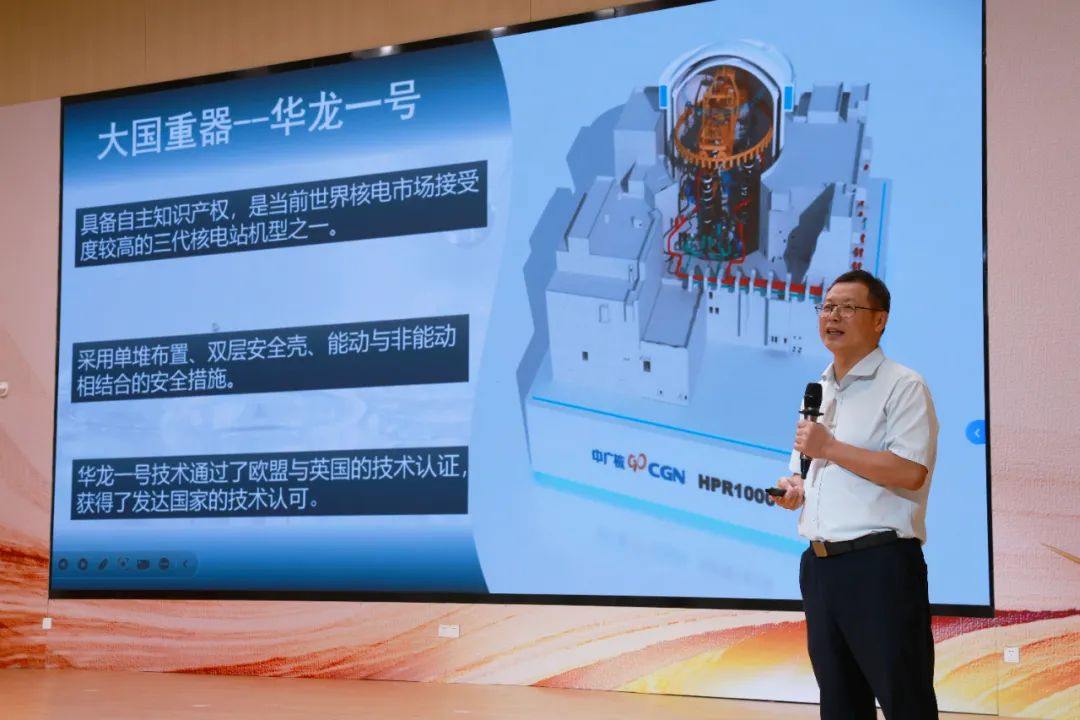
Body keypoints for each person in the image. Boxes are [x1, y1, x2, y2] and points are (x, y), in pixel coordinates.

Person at [773, 270, 940, 720]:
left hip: (879, 566)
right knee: (840, 704)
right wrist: (794, 489)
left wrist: (830, 448)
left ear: (879, 320)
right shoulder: (818, 389)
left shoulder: (903, 385)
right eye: (827, 307)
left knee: (905, 700)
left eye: (848, 307)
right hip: (820, 568)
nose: (833, 316)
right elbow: (809, 470)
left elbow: (910, 472)